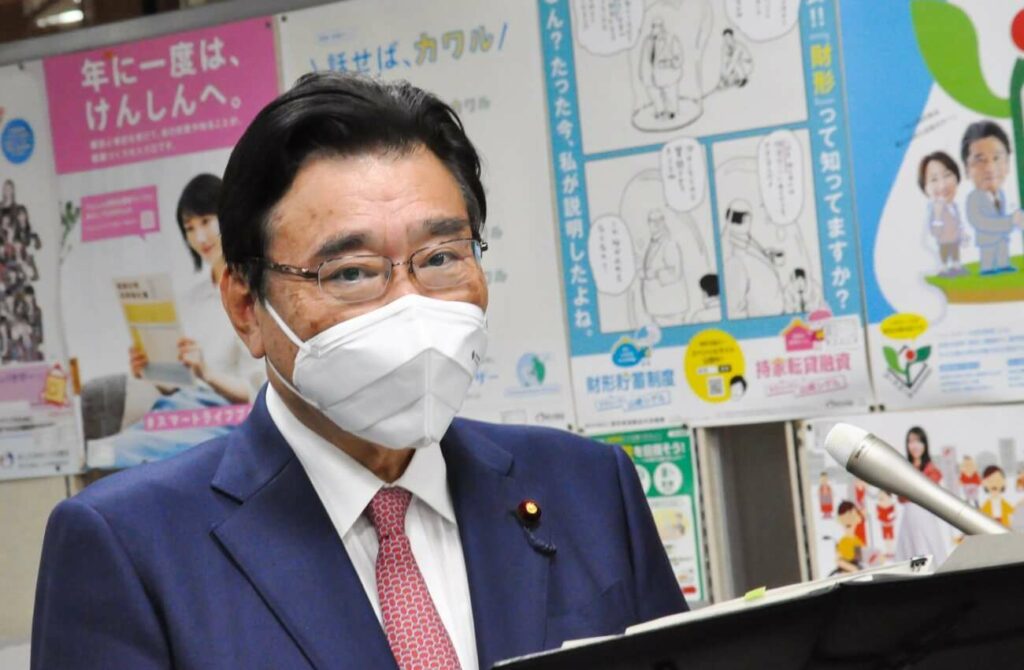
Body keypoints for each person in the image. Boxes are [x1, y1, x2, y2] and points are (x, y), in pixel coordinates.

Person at [32, 72, 686, 669]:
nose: (410, 307)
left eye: (441, 257)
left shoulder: (588, 488)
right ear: (245, 307)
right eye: (349, 272)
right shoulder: (129, 547)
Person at [961, 121, 1024, 274]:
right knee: (988, 258)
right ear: (967, 169)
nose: (989, 168)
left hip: (1002, 239)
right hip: (987, 241)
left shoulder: (1001, 195)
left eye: (996, 158)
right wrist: (1011, 221)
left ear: (1008, 163)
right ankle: (987, 269)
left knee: (1003, 255)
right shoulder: (973, 199)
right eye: (979, 160)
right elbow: (981, 222)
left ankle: (1003, 265)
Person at [894, 426, 950, 563]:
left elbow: (929, 495)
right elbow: (901, 497)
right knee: (909, 556)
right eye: (911, 441)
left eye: (918, 441)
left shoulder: (932, 470)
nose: (914, 446)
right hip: (909, 519)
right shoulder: (904, 468)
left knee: (930, 554)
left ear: (924, 444)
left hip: (926, 518)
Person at [722, 199, 785, 318]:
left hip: (770, 312)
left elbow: (754, 261)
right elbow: (735, 304)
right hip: (760, 317)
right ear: (747, 219)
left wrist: (766, 256)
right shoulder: (732, 253)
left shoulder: (743, 238)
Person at [918, 151, 967, 277]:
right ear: (925, 187)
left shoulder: (955, 206)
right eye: (933, 179)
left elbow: (958, 221)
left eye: (947, 175)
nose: (942, 185)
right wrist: (938, 216)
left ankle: (956, 266)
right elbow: (933, 232)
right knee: (944, 254)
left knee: (955, 253)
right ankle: (944, 268)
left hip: (954, 238)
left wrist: (962, 233)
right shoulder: (934, 209)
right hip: (943, 241)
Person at [640, 208, 687, 325]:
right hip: (657, 307)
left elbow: (675, 273)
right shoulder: (652, 243)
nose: (654, 225)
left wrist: (653, 274)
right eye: (651, 221)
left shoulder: (669, 244)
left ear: (663, 222)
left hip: (670, 309)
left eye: (658, 221)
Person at [638, 17, 683, 120]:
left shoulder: (671, 38)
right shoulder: (648, 41)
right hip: (650, 74)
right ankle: (660, 111)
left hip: (668, 73)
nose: (654, 29)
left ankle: (672, 112)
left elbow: (678, 57)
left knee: (670, 92)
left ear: (662, 27)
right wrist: (643, 73)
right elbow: (644, 59)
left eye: (657, 26)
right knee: (654, 93)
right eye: (653, 26)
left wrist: (669, 63)